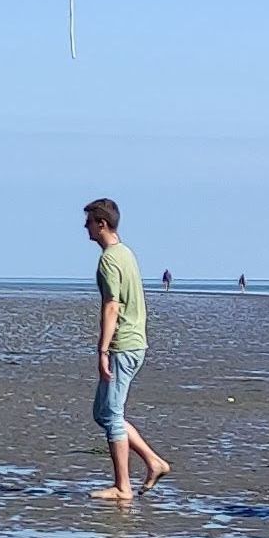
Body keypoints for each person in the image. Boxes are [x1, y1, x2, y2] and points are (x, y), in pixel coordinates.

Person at [84, 199, 172, 503]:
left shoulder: (110, 259)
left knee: (111, 415)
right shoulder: (127, 254)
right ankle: (153, 462)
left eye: (89, 222)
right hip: (135, 342)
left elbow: (111, 306)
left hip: (125, 344)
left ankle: (122, 487)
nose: (86, 228)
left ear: (102, 224)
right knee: (104, 413)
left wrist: (102, 351)